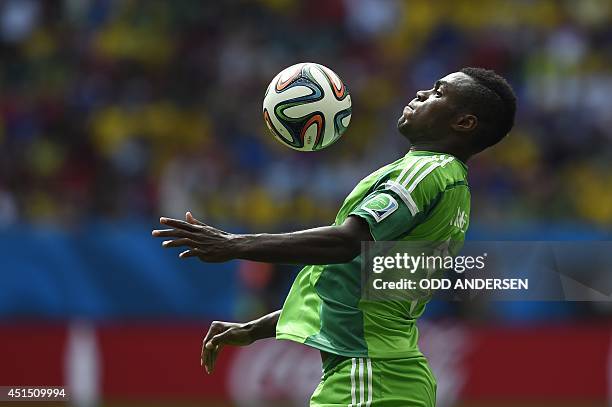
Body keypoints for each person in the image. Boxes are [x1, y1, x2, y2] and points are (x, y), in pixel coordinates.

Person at [152, 67, 517, 406]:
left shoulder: (423, 172)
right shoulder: (450, 184)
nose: (421, 93)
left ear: (464, 122)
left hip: (368, 376)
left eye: (438, 92)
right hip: (386, 374)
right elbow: (350, 285)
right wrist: (255, 329)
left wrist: (234, 245)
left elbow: (345, 244)